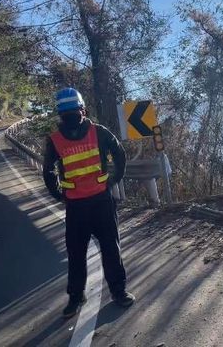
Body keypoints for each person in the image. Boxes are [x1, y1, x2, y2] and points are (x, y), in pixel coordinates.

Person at [42, 87, 135, 318]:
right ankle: (118, 292)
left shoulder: (55, 140)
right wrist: (112, 180)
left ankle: (76, 297)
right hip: (99, 202)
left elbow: (48, 171)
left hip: (78, 206)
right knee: (109, 249)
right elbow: (120, 155)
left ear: (60, 114)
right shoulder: (99, 132)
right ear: (82, 108)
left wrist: (59, 194)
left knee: (77, 253)